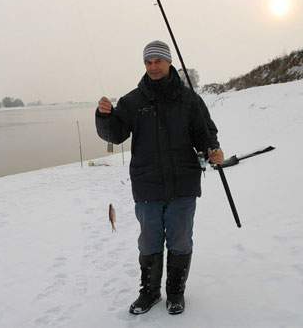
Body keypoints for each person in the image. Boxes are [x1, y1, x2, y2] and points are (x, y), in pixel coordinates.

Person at [95, 40, 224, 315]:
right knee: (149, 243)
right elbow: (114, 135)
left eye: (158, 61)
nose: (153, 67)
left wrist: (212, 149)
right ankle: (150, 293)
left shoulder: (189, 99)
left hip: (184, 184)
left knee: (179, 241)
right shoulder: (132, 101)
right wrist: (103, 116)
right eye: (148, 62)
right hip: (147, 186)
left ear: (168, 62)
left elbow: (205, 132)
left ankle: (175, 293)